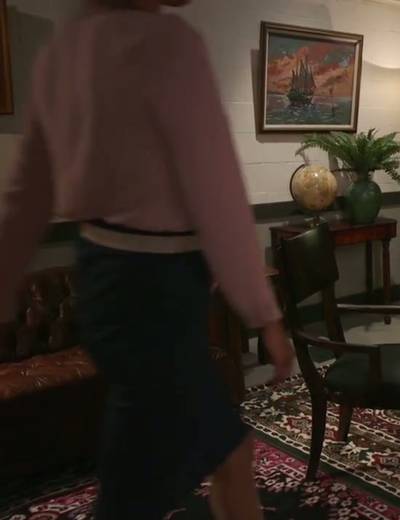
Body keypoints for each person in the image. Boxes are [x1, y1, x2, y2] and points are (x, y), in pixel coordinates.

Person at [0, 0, 294, 518]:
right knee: (152, 480)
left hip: (103, 284)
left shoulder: (64, 49)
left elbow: (29, 192)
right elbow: (217, 193)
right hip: (158, 293)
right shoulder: (169, 45)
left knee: (217, 454)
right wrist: (264, 313)